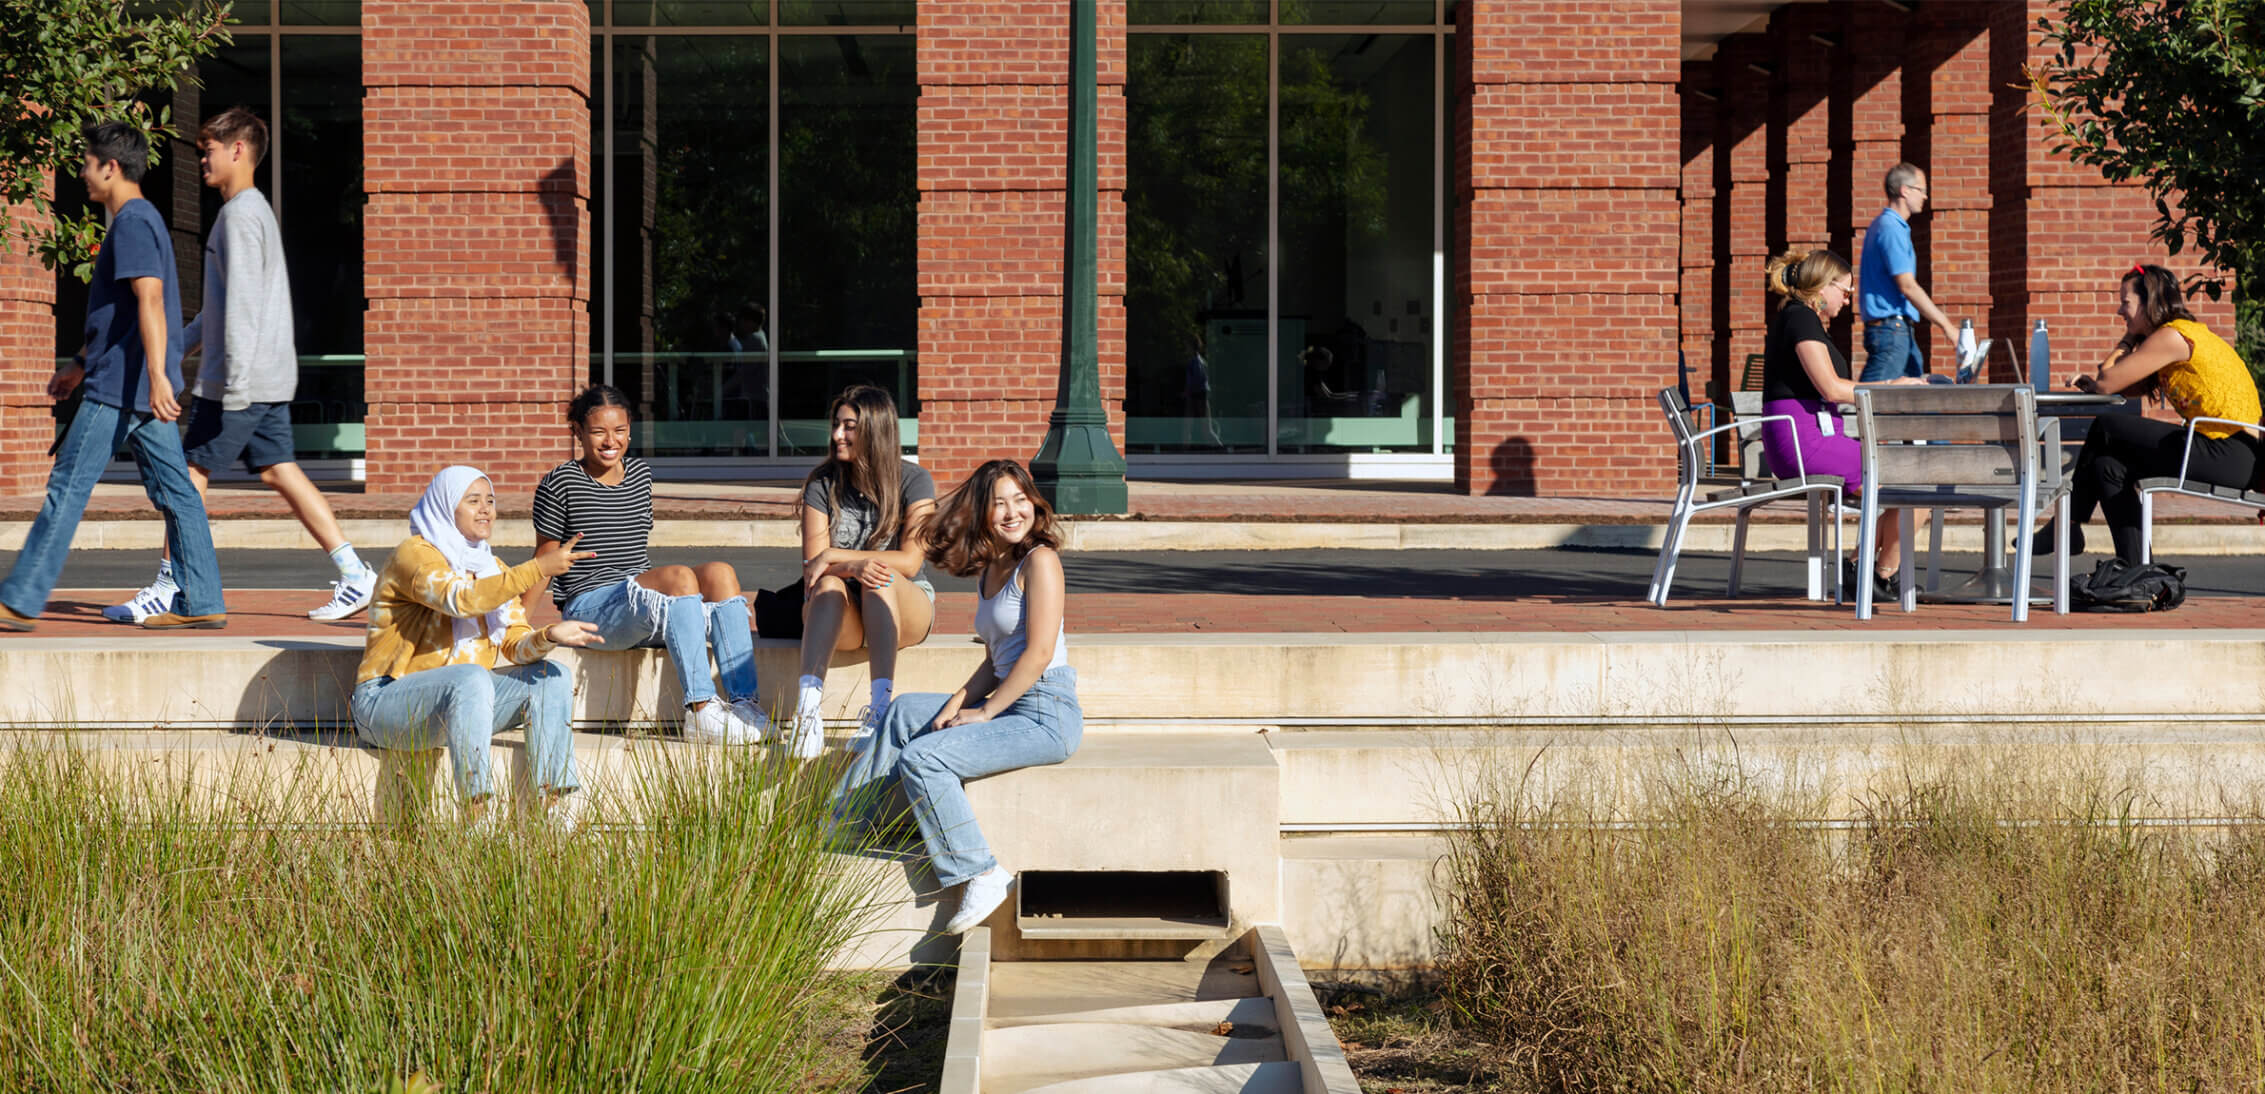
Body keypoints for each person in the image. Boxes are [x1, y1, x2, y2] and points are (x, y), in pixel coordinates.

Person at [104, 107, 375, 625]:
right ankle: (356, 574)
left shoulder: (241, 216)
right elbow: (221, 306)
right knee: (278, 470)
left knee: (187, 476)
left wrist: (230, 388)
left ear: (238, 151)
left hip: (239, 383)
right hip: (259, 380)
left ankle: (168, 585)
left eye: (208, 149)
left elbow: (244, 311)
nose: (202, 157)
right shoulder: (246, 213)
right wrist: (176, 349)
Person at [834, 458, 1081, 935]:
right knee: (906, 711)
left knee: (924, 759)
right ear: (982, 514)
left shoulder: (1041, 561)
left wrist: (985, 711)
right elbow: (997, 658)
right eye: (998, 503)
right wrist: (957, 702)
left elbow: (1038, 653)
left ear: (1034, 503)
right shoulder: (994, 568)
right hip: (1014, 699)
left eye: (1019, 500)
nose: (1012, 512)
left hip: (1046, 713)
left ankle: (980, 873)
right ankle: (844, 824)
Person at [0, 123, 227, 632]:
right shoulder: (138, 221)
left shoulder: (132, 222)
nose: (81, 172)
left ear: (112, 166)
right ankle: (203, 599)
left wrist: (157, 377)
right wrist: (80, 363)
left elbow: (150, 300)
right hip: (133, 385)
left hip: (122, 389)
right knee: (178, 495)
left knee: (67, 487)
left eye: (87, 162)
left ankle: (20, 599)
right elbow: (123, 314)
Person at [354, 466, 601, 829]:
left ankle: (554, 811)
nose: (486, 509)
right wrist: (537, 568)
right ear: (446, 506)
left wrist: (549, 636)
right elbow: (460, 600)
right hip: (385, 703)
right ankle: (477, 817)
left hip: (460, 704)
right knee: (471, 677)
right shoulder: (414, 555)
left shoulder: (491, 569)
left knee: (552, 676)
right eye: (472, 501)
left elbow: (516, 645)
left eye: (491, 501)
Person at [531, 385, 767, 744]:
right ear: (577, 431)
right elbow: (543, 560)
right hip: (591, 607)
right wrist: (516, 625)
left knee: (721, 572)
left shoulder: (640, 474)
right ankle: (701, 711)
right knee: (679, 577)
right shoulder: (560, 482)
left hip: (639, 602)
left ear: (630, 429)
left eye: (620, 430)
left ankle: (744, 704)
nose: (610, 440)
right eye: (598, 432)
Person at [2047, 264, 2261, 561]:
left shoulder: (2172, 337)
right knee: (2108, 465)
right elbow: (2112, 382)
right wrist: (2100, 381)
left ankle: (2067, 524)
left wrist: (2127, 339)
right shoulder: (2179, 336)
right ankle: (2137, 571)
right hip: (2231, 451)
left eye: (2126, 303)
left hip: (2230, 450)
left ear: (2150, 304)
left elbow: (2108, 384)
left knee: (2107, 425)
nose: (2119, 312)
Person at [1759, 248, 1925, 601]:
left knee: (1910, 480)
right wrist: (1891, 388)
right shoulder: (1800, 319)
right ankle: (1879, 574)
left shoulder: (1800, 319)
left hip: (1807, 436)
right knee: (1919, 484)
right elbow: (1831, 388)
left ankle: (1860, 571)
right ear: (1822, 287)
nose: (1848, 301)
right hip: (1805, 441)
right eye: (1846, 292)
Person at [791, 384, 937, 759]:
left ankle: (880, 711)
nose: (838, 435)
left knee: (880, 576)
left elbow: (910, 561)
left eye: (849, 426)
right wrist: (850, 565)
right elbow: (814, 566)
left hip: (904, 607)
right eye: (837, 425)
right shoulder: (822, 483)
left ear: (875, 429)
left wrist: (846, 559)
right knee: (826, 585)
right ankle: (807, 714)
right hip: (843, 612)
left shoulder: (914, 480)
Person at [1857, 162, 1964, 382]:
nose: (1925, 196)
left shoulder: (1885, 225)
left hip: (1897, 329)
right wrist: (1947, 326)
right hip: (1891, 330)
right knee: (1870, 400)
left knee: (1912, 400)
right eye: (1922, 190)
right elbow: (1907, 286)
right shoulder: (1891, 228)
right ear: (1905, 191)